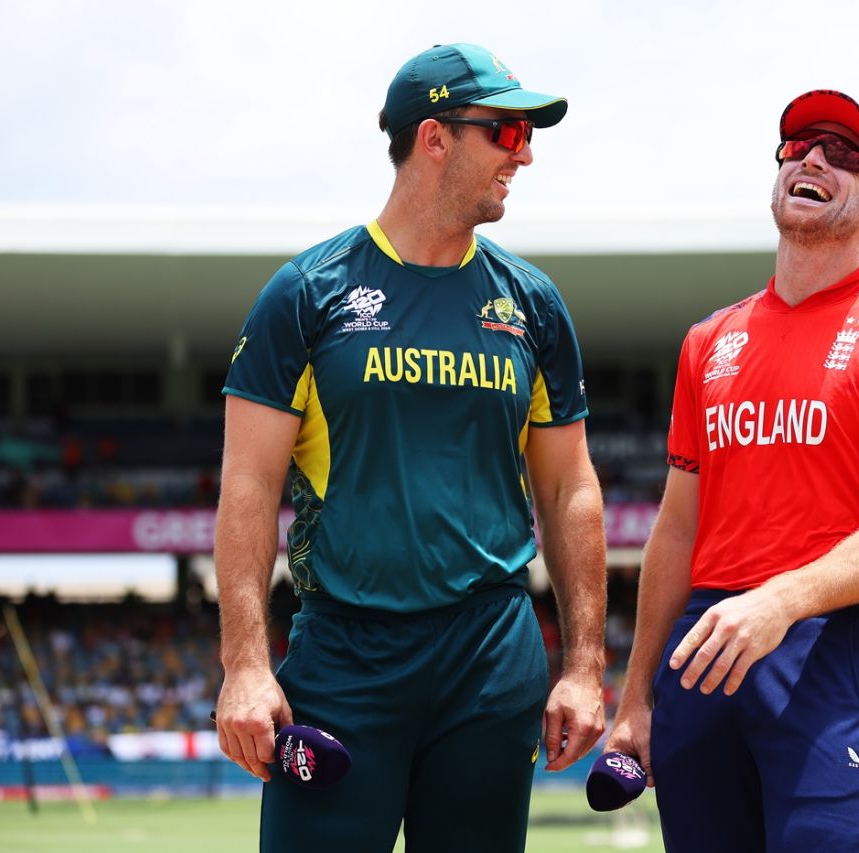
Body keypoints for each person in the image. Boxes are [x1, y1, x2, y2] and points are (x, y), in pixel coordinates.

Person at [213, 43, 607, 852]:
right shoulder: (309, 292)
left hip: (491, 658)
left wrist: (584, 664)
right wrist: (245, 665)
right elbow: (248, 485)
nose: (524, 152)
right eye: (504, 131)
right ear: (434, 137)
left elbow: (571, 486)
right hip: (346, 658)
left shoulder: (531, 302)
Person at [605, 90, 859, 851]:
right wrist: (636, 695)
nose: (813, 158)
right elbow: (675, 529)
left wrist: (780, 601)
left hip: (824, 646)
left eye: (844, 155)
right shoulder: (710, 340)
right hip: (703, 649)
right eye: (801, 145)